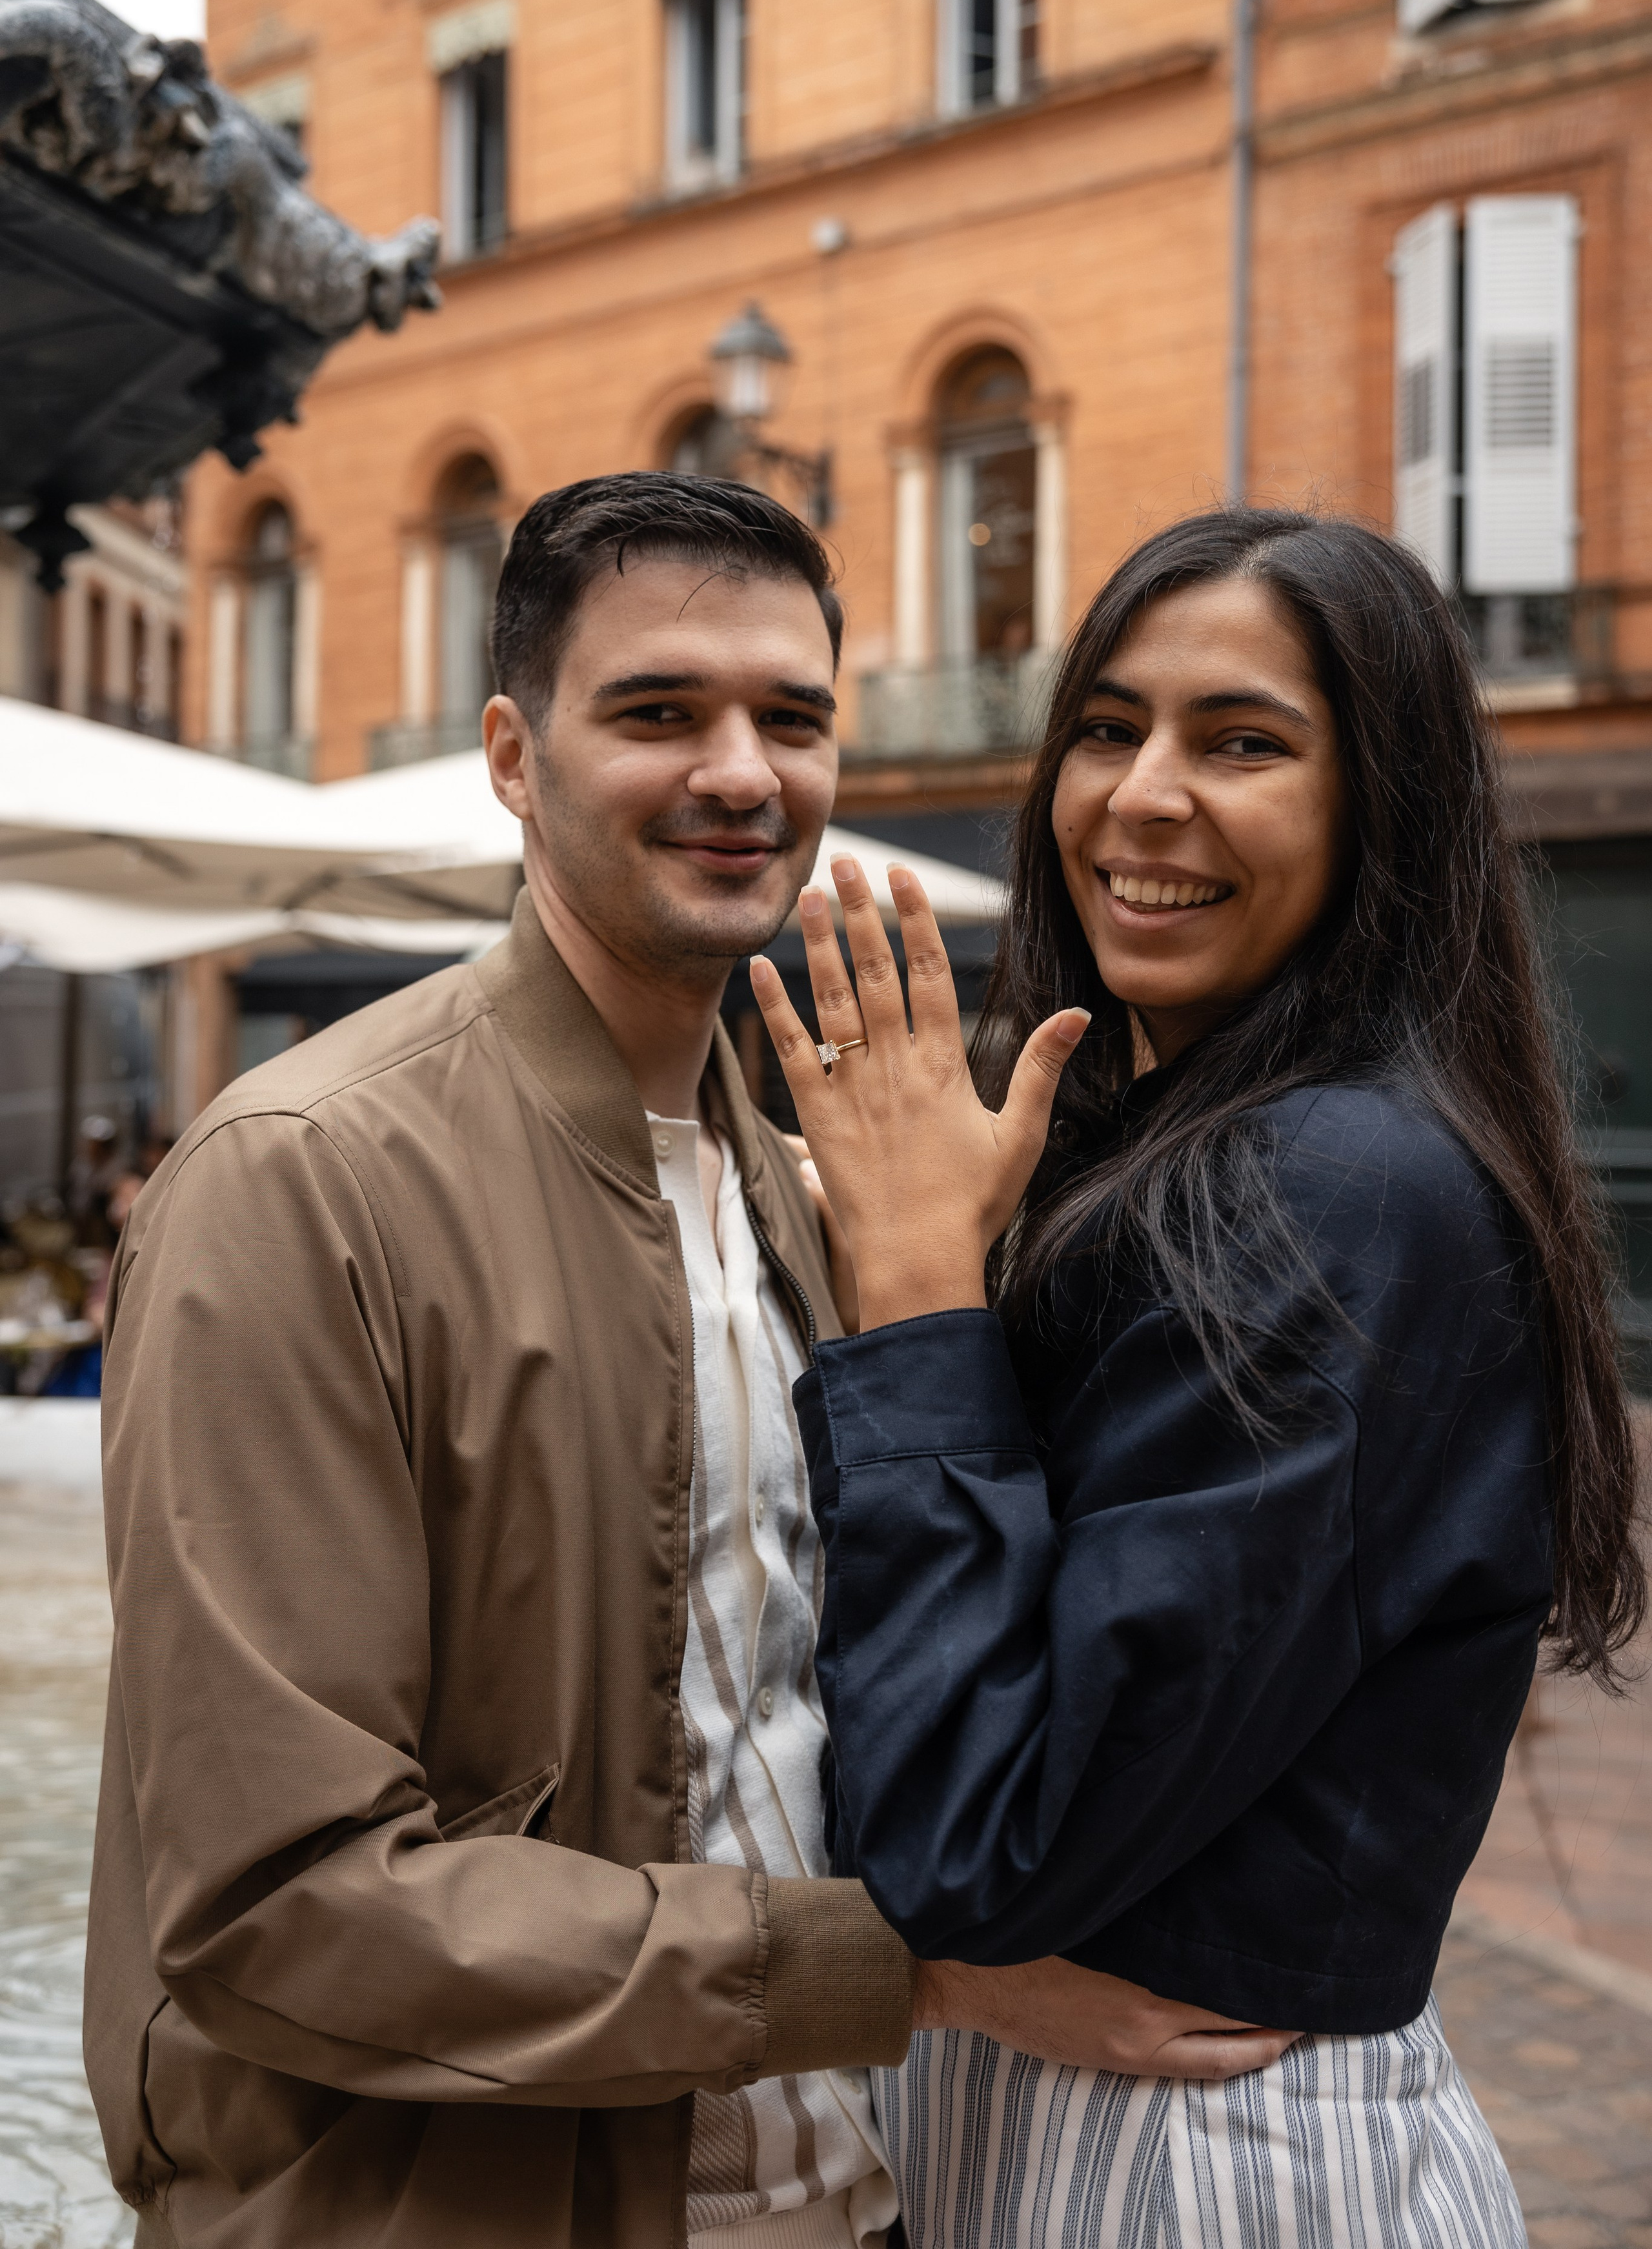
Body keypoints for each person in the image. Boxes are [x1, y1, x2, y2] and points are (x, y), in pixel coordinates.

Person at [87, 474, 1280, 2249]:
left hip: (857, 2200)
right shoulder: (303, 1182)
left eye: (791, 717)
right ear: (513, 753)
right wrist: (911, 1980)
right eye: (658, 711)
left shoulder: (806, 1184)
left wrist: (941, 1279)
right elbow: (279, 1909)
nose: (742, 772)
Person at [751, 508, 1646, 2248]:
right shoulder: (1201, 1146)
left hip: (1188, 2163)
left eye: (1243, 742)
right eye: (1109, 726)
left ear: (1379, 801)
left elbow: (977, 1848)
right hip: (1103, 2124)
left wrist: (920, 1296)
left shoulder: (1328, 1192)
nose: (1144, 796)